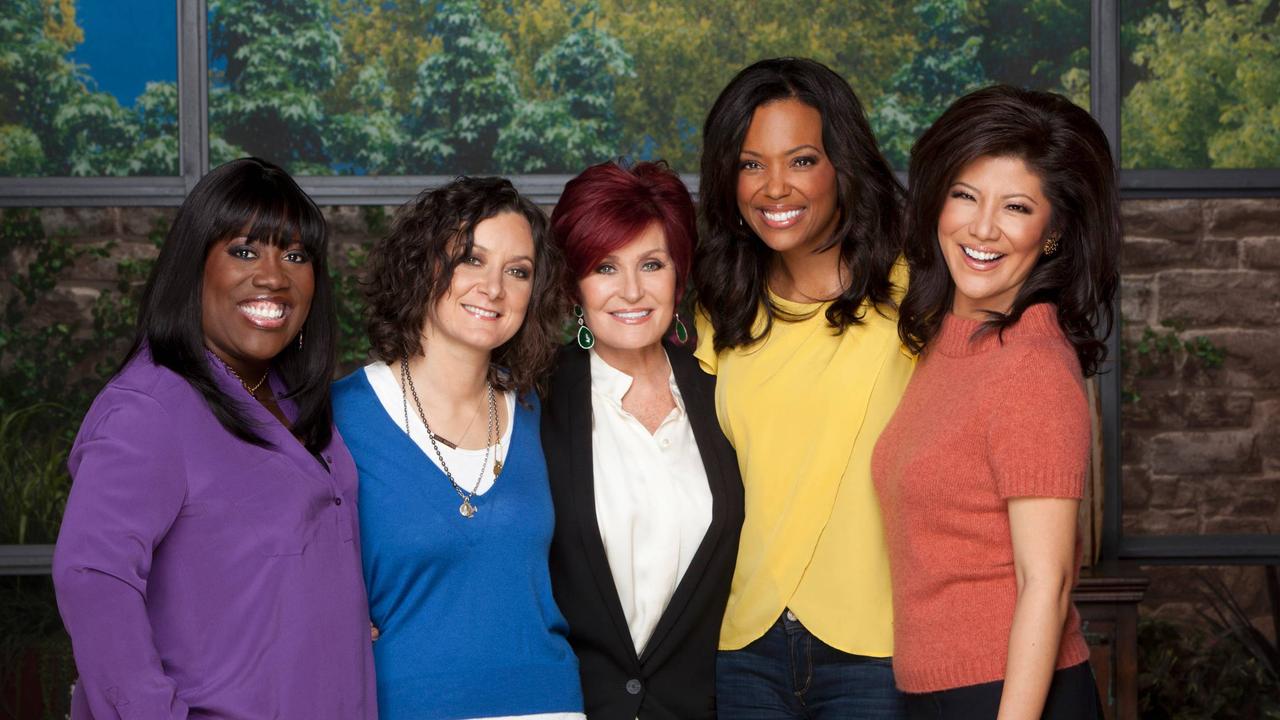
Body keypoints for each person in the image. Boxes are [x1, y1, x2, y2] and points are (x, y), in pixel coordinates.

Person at [52, 157, 376, 718]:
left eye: (296, 255)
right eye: (244, 250)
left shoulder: (290, 395)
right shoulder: (149, 408)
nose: (274, 276)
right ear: (194, 265)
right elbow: (92, 578)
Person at [872, 85, 1119, 719]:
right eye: (965, 196)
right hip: (936, 691)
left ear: (1055, 230)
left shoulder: (1030, 365)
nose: (982, 228)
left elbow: (1049, 582)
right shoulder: (947, 345)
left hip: (1009, 695)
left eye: (1015, 207)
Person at [692, 57, 913, 717]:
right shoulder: (719, 309)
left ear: (844, 165)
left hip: (878, 646)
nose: (774, 187)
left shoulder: (919, 294)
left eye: (802, 160)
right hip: (741, 645)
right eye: (751, 163)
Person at [331, 176, 584, 720]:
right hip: (406, 704)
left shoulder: (544, 413)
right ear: (424, 265)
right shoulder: (339, 419)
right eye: (471, 259)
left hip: (548, 705)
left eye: (517, 271)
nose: (493, 288)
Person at [542, 160, 744, 720]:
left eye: (651, 264)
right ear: (573, 283)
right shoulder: (533, 400)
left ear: (679, 277)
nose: (631, 290)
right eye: (605, 267)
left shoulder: (723, 391)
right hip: (573, 710)